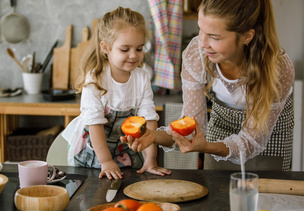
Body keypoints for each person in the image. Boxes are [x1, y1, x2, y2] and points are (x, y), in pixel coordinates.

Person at [121, 0, 295, 171]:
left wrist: (205, 147)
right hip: (219, 132)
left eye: (214, 37)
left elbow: (250, 142)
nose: (202, 43)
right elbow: (189, 127)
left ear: (247, 36)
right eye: (201, 30)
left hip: (269, 143)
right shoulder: (196, 54)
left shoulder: (278, 69)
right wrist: (153, 136)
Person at [62, 7, 171, 179]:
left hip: (124, 152)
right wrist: (105, 161)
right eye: (125, 49)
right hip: (94, 153)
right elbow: (95, 125)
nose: (133, 55)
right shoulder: (95, 78)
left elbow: (149, 123)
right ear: (106, 48)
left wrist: (150, 159)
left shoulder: (141, 78)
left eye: (139, 48)